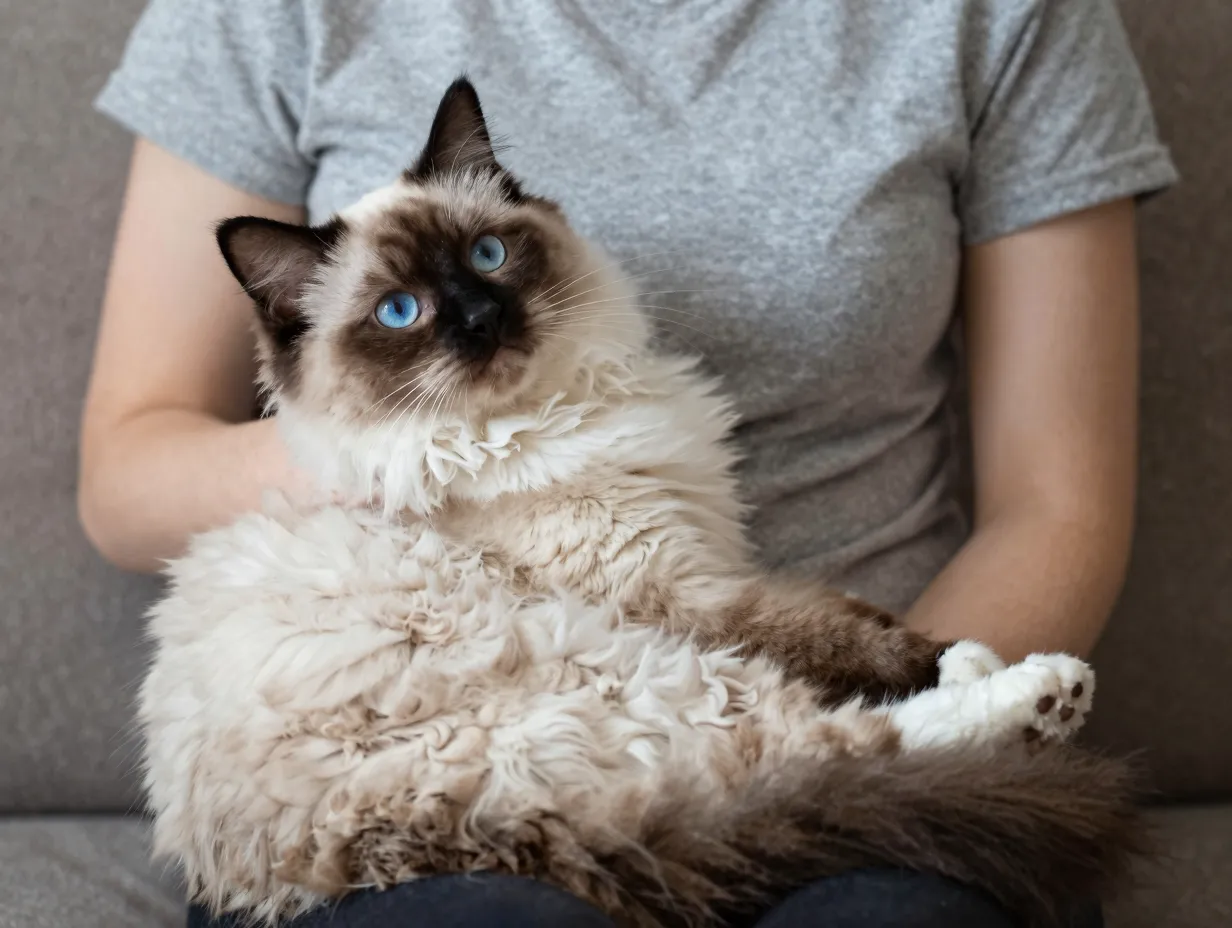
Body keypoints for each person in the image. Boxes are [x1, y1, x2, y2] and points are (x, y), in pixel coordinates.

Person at [79, 1, 1176, 926]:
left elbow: (1057, 505)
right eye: (406, 311)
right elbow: (126, 472)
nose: (474, 316)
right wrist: (405, 461)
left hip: (842, 697)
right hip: (409, 783)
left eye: (491, 255)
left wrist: (924, 714)